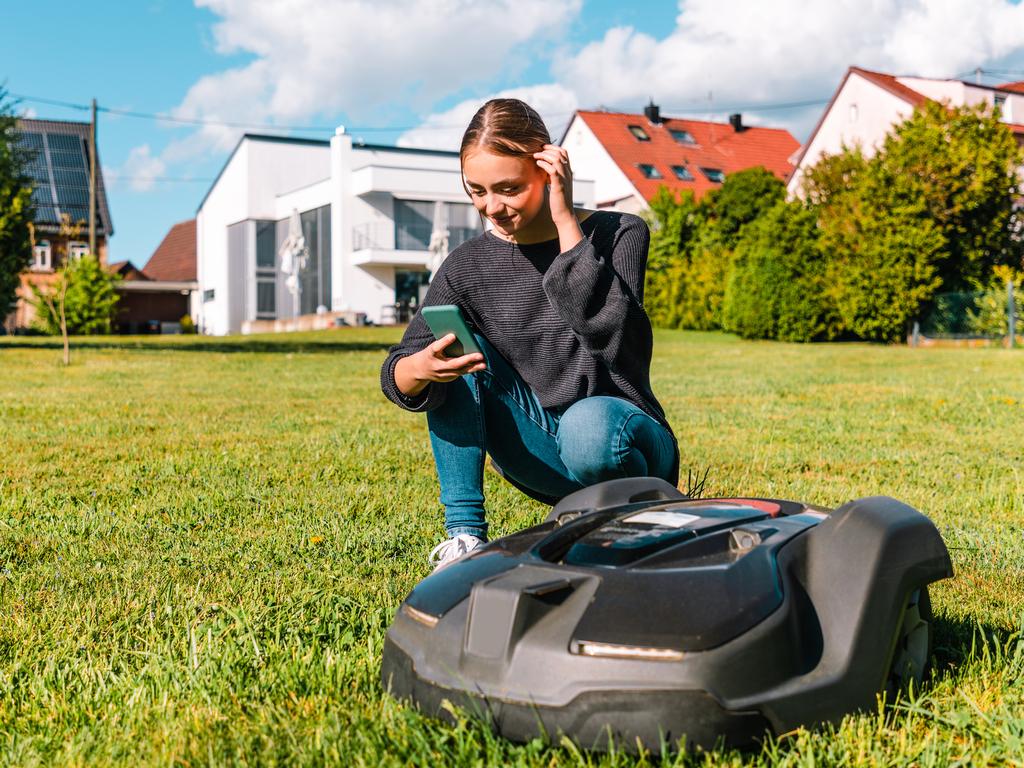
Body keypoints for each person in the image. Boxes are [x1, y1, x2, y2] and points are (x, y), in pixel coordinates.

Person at [380, 98, 679, 570]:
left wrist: (565, 223)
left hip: (623, 440)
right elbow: (398, 370)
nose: (491, 207)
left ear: (549, 167)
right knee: (455, 355)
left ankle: (638, 515)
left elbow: (616, 340)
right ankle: (465, 539)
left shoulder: (620, 231)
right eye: (476, 190)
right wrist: (420, 368)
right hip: (540, 453)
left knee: (587, 426)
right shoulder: (464, 267)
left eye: (508, 188)